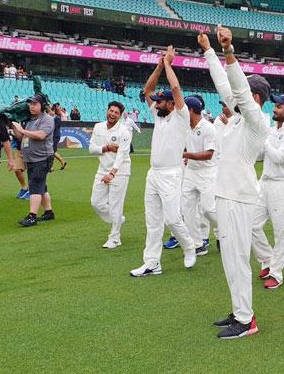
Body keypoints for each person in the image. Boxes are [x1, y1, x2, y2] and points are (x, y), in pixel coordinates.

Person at [198, 27, 270, 339]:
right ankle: (239, 311)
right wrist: (208, 52)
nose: (233, 96)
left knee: (238, 259)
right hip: (227, 196)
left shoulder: (257, 122)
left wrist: (228, 52)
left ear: (255, 99)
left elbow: (237, 90)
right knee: (230, 259)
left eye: (244, 94)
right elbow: (227, 86)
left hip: (240, 198)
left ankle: (247, 321)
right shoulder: (239, 117)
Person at [130, 45, 197, 276]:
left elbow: (176, 87)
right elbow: (147, 89)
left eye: (161, 101)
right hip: (154, 173)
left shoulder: (180, 115)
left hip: (171, 173)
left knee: (172, 218)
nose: (156, 103)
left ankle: (190, 247)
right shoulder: (158, 116)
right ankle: (152, 263)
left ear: (171, 103)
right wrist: (159, 66)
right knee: (153, 221)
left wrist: (169, 63)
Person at [251, 94, 284, 290]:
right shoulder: (273, 131)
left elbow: (280, 157)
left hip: (283, 185)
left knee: (281, 232)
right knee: (251, 225)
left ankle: (276, 273)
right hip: (264, 183)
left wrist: (264, 140)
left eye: (279, 106)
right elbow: (260, 156)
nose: (275, 109)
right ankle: (267, 259)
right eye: (275, 105)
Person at [89, 101, 132, 248]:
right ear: (107, 111)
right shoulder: (98, 127)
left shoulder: (124, 132)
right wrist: (106, 147)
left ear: (120, 116)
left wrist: (113, 173)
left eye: (116, 112)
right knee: (96, 203)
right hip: (102, 169)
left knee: (115, 205)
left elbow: (122, 155)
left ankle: (115, 238)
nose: (112, 114)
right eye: (111, 111)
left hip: (120, 171)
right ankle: (118, 219)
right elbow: (91, 149)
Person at [180, 94, 218, 258]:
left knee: (208, 209)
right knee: (186, 209)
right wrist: (188, 157)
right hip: (191, 172)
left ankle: (227, 231)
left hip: (207, 172)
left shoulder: (208, 128)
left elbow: (209, 154)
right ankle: (197, 244)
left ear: (191, 110)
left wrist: (187, 155)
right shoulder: (186, 127)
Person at [10, 94, 56, 227]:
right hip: (32, 158)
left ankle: (32, 216)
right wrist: (14, 126)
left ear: (42, 106)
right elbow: (21, 137)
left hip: (42, 158)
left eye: (35, 104)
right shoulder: (30, 120)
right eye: (30, 104)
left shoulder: (47, 119)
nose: (31, 106)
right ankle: (48, 212)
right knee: (41, 186)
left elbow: (41, 135)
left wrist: (22, 129)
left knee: (35, 186)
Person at [48, 104, 67, 171]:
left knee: (52, 151)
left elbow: (55, 128)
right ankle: (62, 161)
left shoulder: (57, 118)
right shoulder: (53, 118)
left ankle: (51, 167)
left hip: (55, 136)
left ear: (53, 111)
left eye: (50, 111)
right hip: (54, 136)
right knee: (53, 151)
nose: (49, 112)